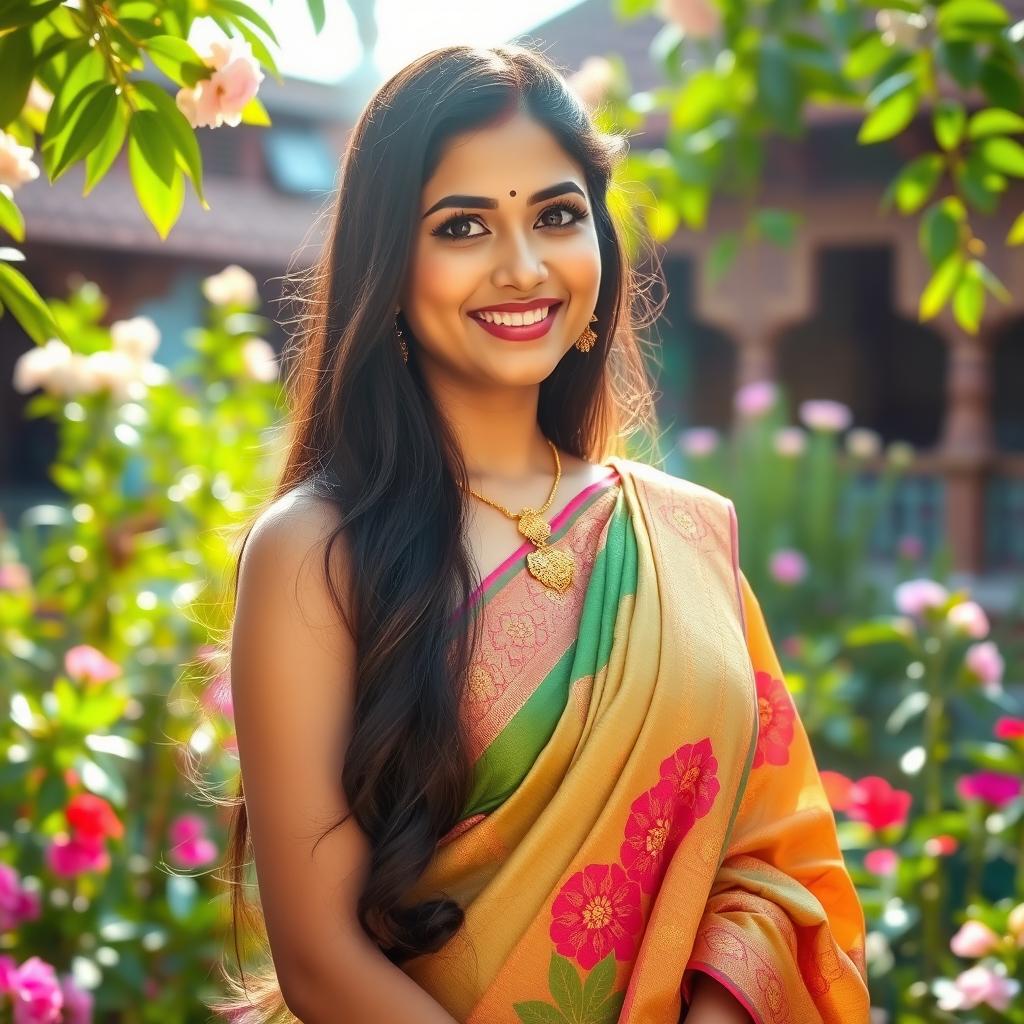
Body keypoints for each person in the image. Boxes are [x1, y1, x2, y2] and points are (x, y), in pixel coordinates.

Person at [207, 43, 871, 1024]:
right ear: (391, 261)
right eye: (462, 226)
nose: (522, 267)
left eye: (555, 215)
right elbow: (318, 955)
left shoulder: (684, 536)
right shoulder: (317, 550)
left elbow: (771, 861)